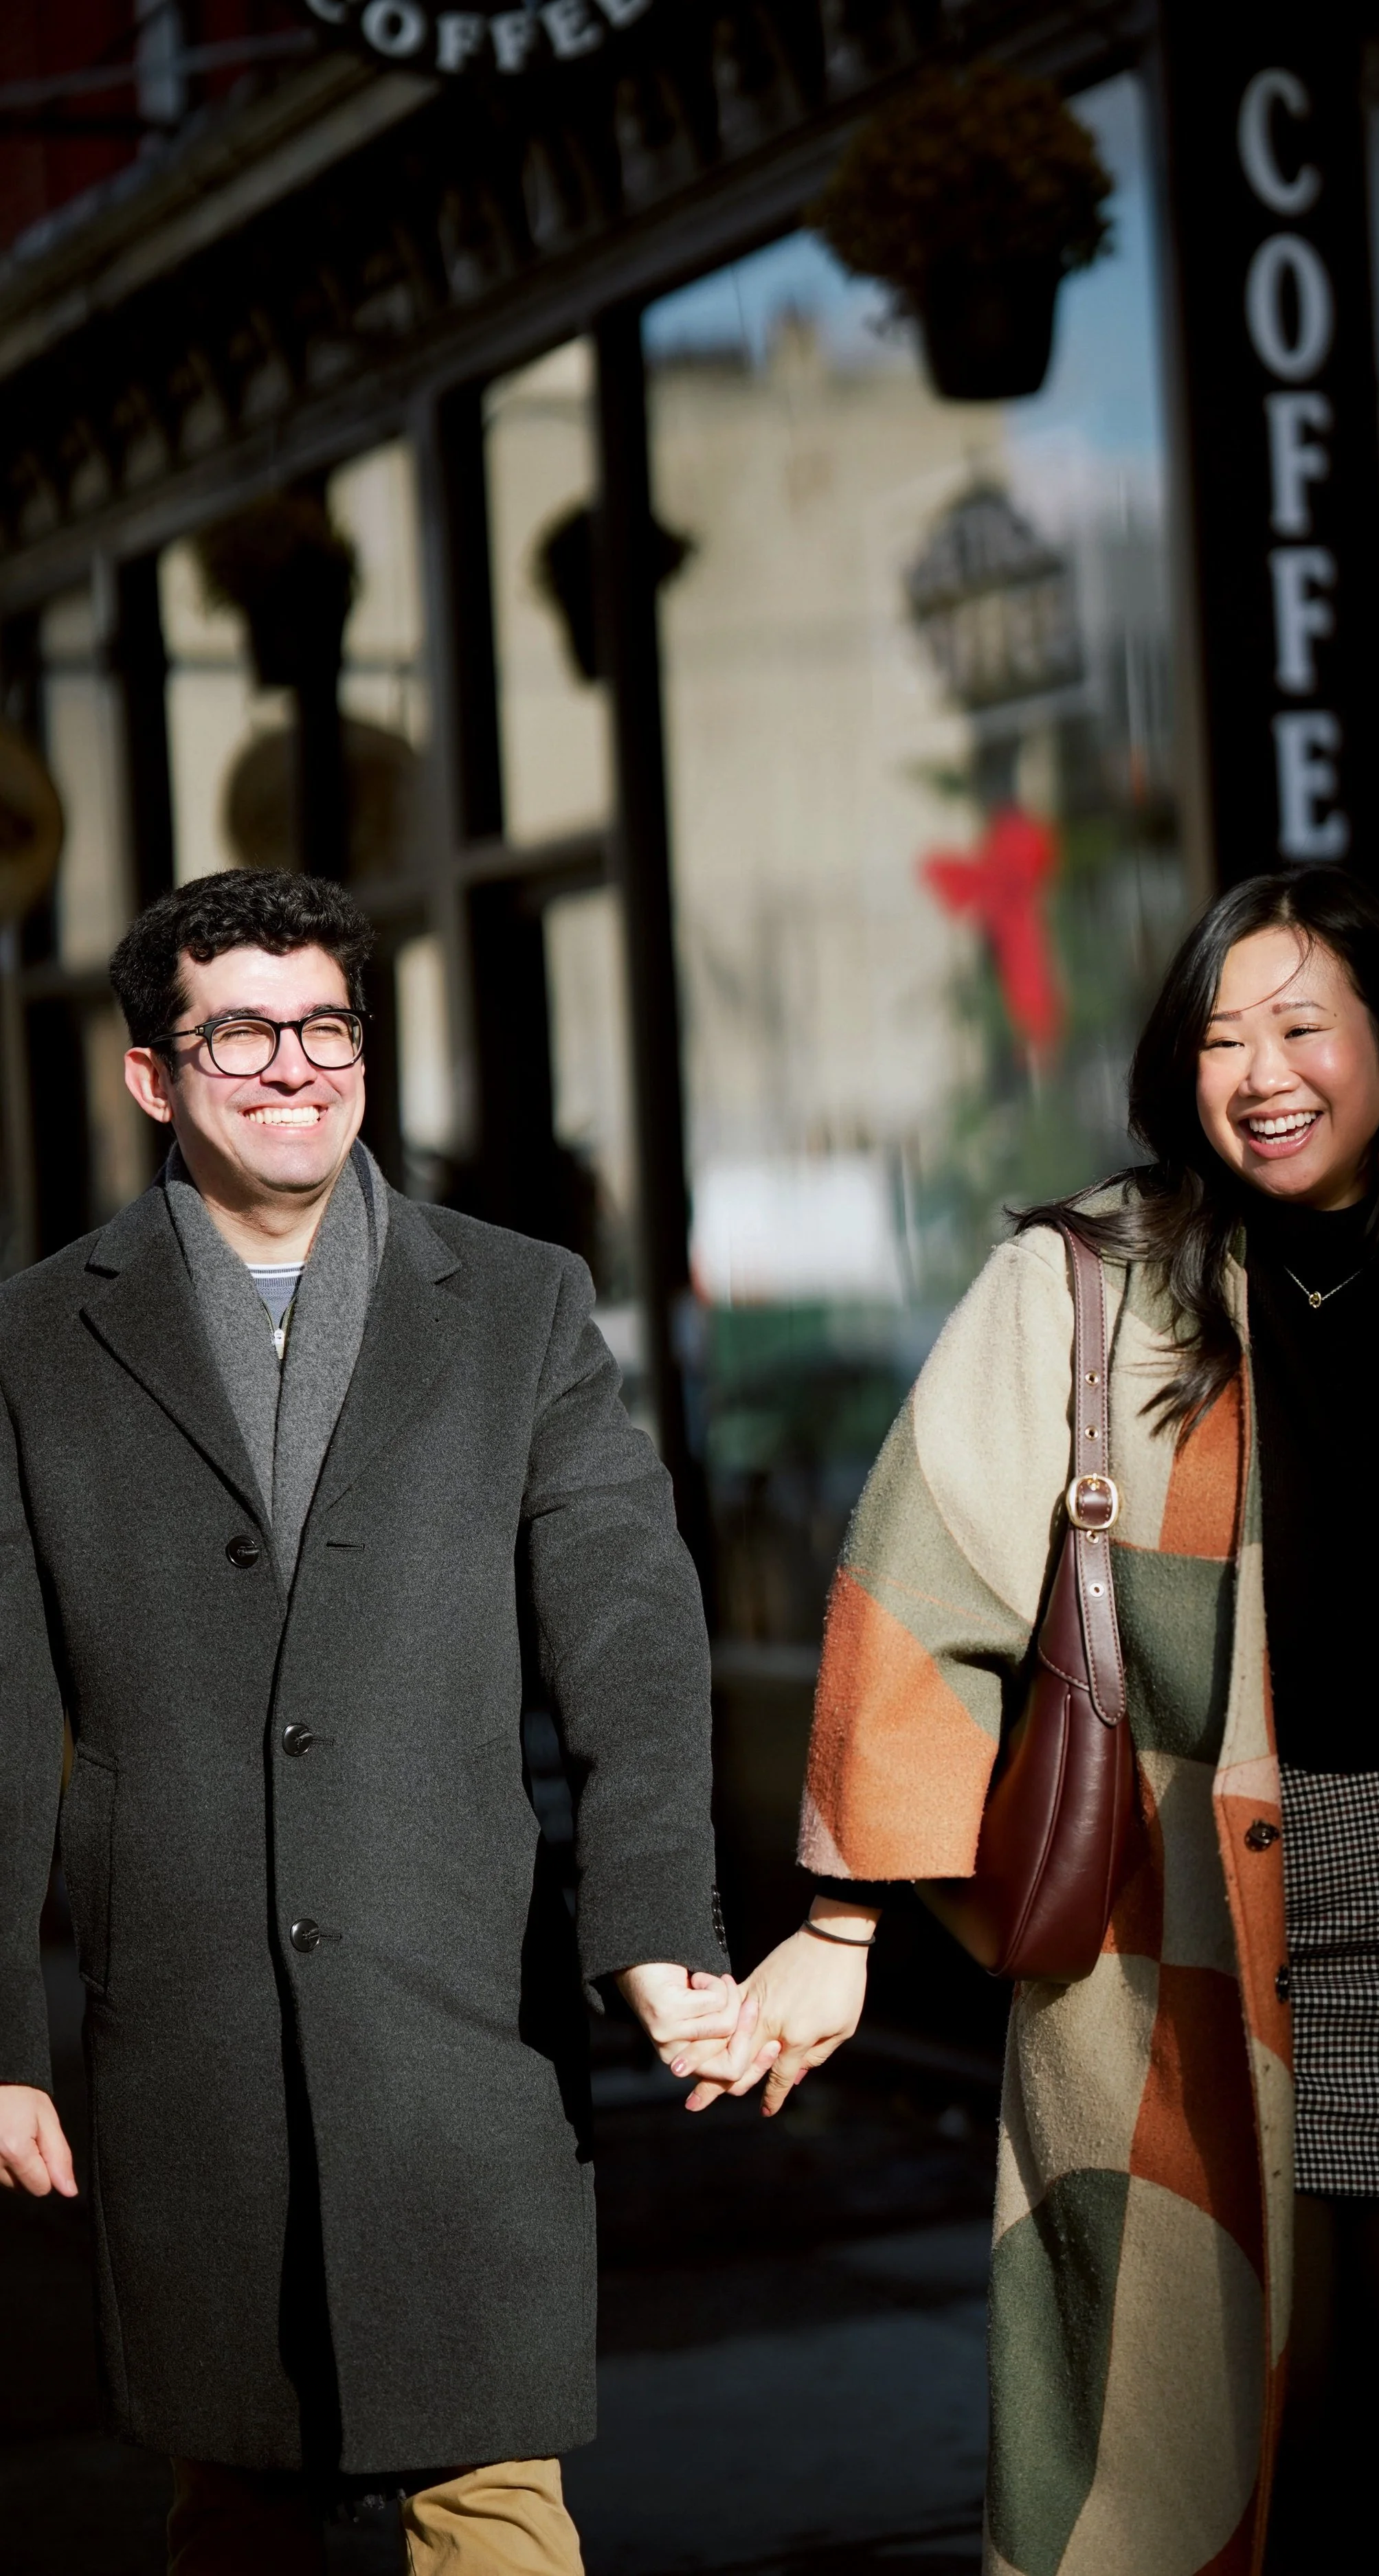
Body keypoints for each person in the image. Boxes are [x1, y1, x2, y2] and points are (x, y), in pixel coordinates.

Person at [693, 868, 1379, 2575]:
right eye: (1218, 1038)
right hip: (1155, 1931)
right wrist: (838, 1921)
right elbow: (919, 1578)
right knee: (1177, 2442)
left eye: (1300, 1028)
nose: (1260, 1075)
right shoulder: (1088, 1283)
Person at [0, 870, 758, 2574]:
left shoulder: (522, 1303)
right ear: (152, 1076)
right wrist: (0, 2031)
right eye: (241, 1031)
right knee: (235, 2502)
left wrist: (655, 1934)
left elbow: (630, 1634)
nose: (294, 1066)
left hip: (461, 2000)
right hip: (185, 2019)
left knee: (491, 2494)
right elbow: (0, 1702)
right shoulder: (39, 1337)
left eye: (326, 1023)